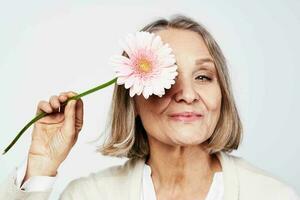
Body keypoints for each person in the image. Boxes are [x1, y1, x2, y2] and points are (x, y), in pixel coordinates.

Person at [0, 14, 299, 200]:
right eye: (168, 79)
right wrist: (40, 167)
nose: (188, 94)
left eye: (204, 76)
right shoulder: (89, 196)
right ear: (134, 100)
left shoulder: (272, 196)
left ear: (222, 95)